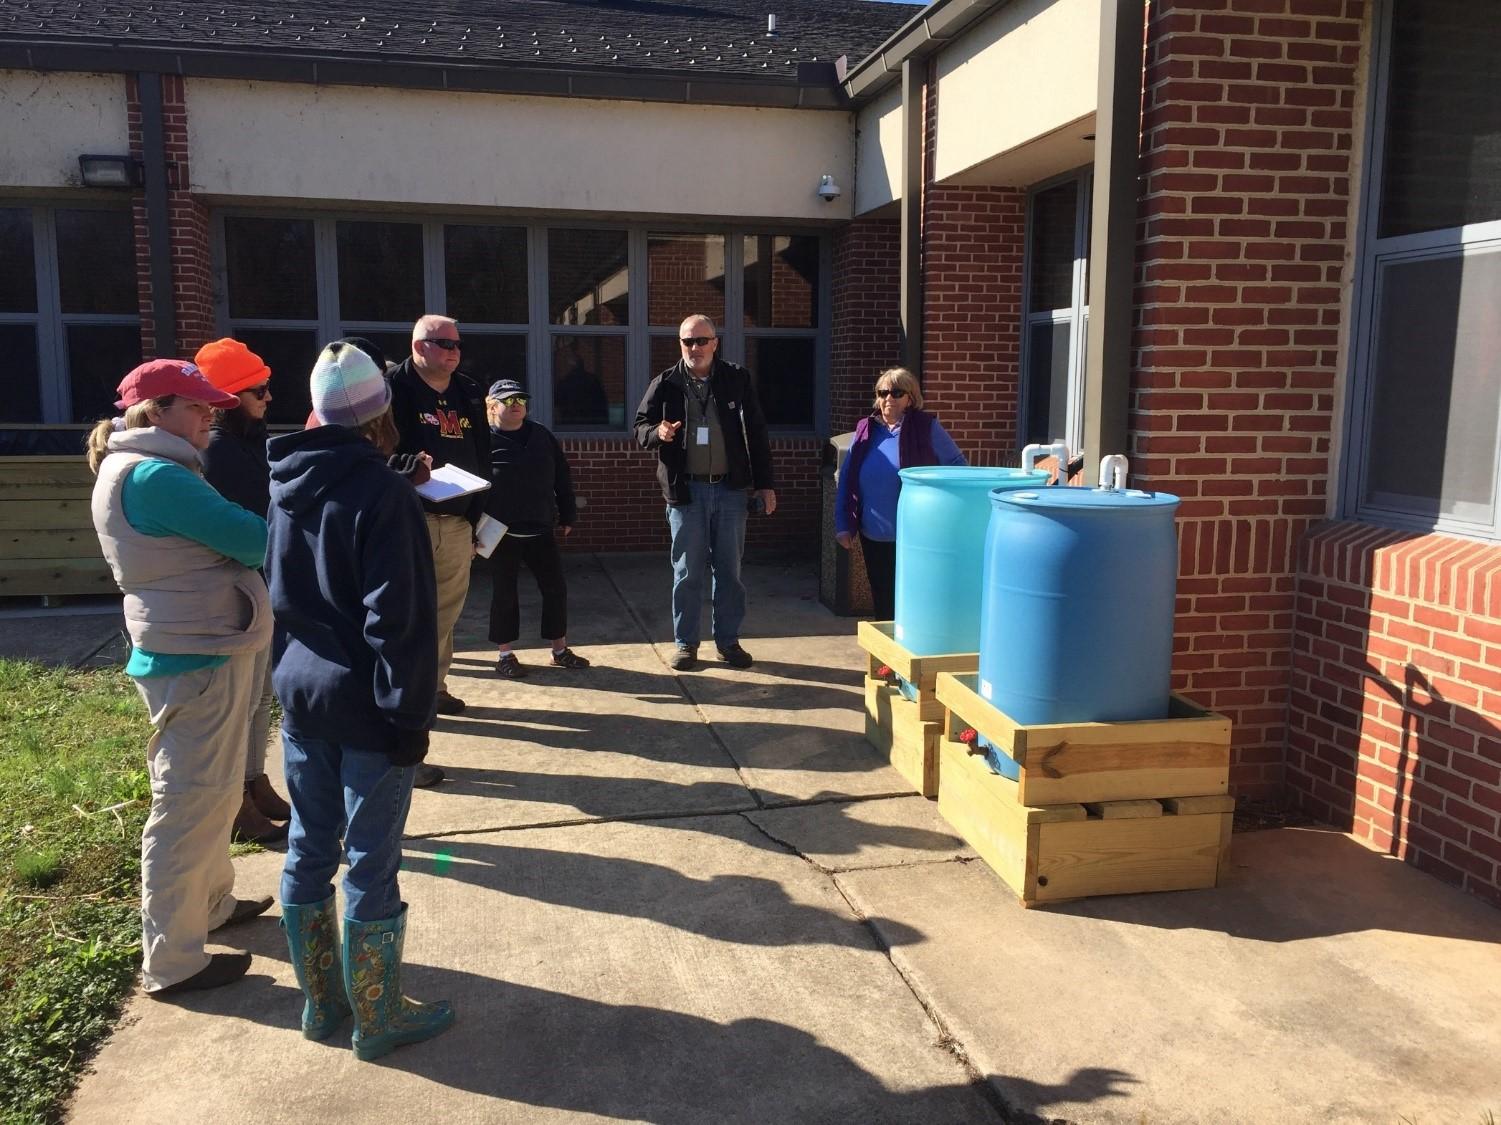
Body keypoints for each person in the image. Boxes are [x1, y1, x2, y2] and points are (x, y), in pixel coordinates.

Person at [266, 341, 454, 1060]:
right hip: (369, 709)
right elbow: (397, 621)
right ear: (382, 414)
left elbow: (284, 586)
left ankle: (321, 1004)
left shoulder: (286, 481)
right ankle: (377, 1019)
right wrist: (411, 718)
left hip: (302, 695)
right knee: (372, 859)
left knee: (309, 845)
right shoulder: (383, 495)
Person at [86, 359, 275, 996]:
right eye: (196, 407)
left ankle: (211, 907)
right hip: (196, 656)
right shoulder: (158, 476)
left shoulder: (148, 468)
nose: (210, 417)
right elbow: (255, 539)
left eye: (212, 406)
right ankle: (172, 961)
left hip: (197, 645)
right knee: (190, 802)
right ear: (155, 411)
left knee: (212, 794)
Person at [634, 314, 775, 672]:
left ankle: (728, 642)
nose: (694, 348)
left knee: (730, 572)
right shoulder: (665, 383)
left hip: (730, 491)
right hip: (687, 493)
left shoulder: (736, 378)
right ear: (680, 345)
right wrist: (658, 434)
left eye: (701, 340)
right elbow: (639, 428)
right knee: (687, 573)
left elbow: (757, 433)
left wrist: (765, 483)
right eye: (687, 342)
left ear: (715, 342)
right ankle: (685, 643)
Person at [194, 337, 291, 845]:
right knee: (240, 702)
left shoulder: (254, 441)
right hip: (235, 589)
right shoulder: (218, 453)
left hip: (260, 584)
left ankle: (255, 781)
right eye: (259, 391)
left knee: (259, 698)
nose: (269, 398)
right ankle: (237, 801)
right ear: (229, 398)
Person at [388, 315, 490, 715]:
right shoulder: (392, 389)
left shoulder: (468, 391)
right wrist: (408, 466)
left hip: (458, 519)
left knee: (445, 612)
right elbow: (377, 450)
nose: (454, 352)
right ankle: (408, 694)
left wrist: (477, 519)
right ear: (418, 347)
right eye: (445, 344)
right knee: (410, 612)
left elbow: (484, 455)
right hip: (410, 519)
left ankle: (433, 687)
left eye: (458, 345)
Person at [834, 367, 967, 620]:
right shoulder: (866, 429)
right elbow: (847, 477)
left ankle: (910, 656)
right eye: (883, 392)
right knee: (882, 601)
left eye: (896, 392)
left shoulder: (926, 427)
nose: (888, 399)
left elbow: (958, 465)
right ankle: (886, 660)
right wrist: (843, 524)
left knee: (912, 602)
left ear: (910, 397)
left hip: (916, 534)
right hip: (873, 533)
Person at [482, 378, 589, 677]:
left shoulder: (541, 435)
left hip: (540, 528)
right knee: (505, 594)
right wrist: (469, 528)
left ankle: (559, 650)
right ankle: (505, 655)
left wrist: (568, 514)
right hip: (501, 532)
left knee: (555, 589)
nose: (516, 406)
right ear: (492, 406)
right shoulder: (483, 440)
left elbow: (561, 476)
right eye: (508, 401)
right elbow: (472, 488)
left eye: (520, 401)